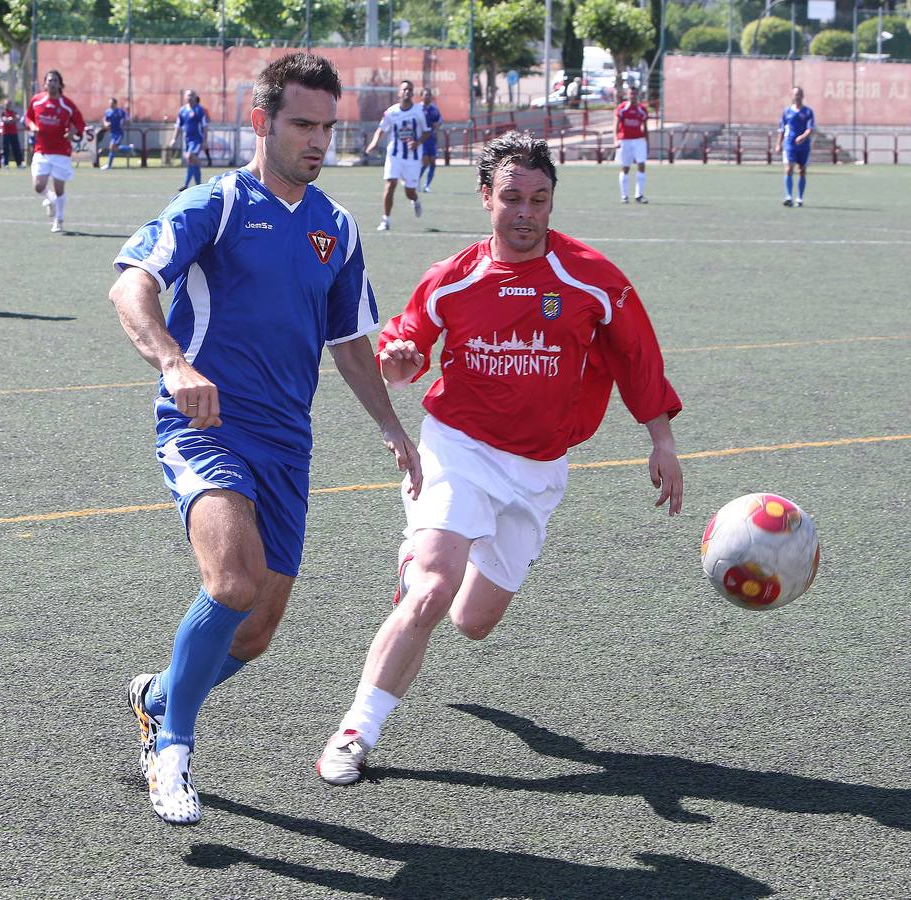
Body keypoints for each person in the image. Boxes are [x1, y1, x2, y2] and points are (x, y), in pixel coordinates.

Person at [110, 51, 422, 826]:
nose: (318, 141)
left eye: (327, 127)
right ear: (262, 121)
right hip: (206, 425)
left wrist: (390, 425)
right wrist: (175, 364)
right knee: (233, 581)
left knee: (254, 632)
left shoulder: (335, 227)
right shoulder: (214, 204)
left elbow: (348, 340)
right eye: (302, 124)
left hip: (288, 442)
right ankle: (172, 749)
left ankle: (157, 697)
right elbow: (130, 284)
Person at [316, 130, 683, 786]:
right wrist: (399, 360)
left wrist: (662, 440)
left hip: (539, 469)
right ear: (486, 197)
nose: (525, 212)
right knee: (434, 588)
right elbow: (403, 350)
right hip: (458, 448)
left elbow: (636, 356)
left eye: (538, 199)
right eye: (511, 197)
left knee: (472, 621)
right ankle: (355, 732)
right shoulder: (452, 278)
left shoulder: (591, 278)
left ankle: (420, 572)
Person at [25, 70, 86, 233]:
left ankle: (59, 219)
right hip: (41, 150)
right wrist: (32, 126)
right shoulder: (36, 101)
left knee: (59, 188)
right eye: (49, 80)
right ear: (45, 84)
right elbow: (28, 117)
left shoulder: (67, 105)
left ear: (60, 84)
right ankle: (51, 199)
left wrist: (73, 132)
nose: (52, 83)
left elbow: (80, 123)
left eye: (55, 81)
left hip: (61, 152)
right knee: (38, 186)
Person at [365, 79, 429, 231]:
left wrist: (417, 143)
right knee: (390, 184)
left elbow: (427, 132)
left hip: (412, 158)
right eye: (404, 89)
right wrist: (374, 142)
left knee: (409, 192)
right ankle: (385, 220)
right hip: (394, 155)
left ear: (412, 93)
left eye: (410, 89)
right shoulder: (391, 112)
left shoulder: (419, 111)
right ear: (399, 93)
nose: (407, 92)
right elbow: (381, 129)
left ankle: (415, 200)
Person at [776, 86, 815, 208]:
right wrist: (778, 144)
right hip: (790, 144)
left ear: (802, 96)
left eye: (799, 94)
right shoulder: (787, 111)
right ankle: (788, 197)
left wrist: (802, 137)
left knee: (802, 171)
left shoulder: (808, 112)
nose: (797, 96)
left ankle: (799, 198)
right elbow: (781, 129)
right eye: (795, 94)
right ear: (792, 96)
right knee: (788, 169)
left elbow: (810, 129)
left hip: (804, 146)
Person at [614, 84, 650, 204]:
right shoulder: (622, 108)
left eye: (635, 94)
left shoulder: (642, 109)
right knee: (625, 168)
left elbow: (645, 127)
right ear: (628, 95)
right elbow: (616, 125)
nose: (633, 96)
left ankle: (639, 195)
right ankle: (624, 195)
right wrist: (616, 140)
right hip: (625, 140)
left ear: (638, 95)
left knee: (641, 165)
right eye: (631, 94)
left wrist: (647, 142)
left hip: (639, 140)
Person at [170, 89, 210, 191]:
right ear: (185, 97)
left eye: (192, 95)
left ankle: (187, 184)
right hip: (187, 140)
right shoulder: (182, 110)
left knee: (190, 156)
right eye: (188, 95)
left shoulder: (199, 110)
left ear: (195, 97)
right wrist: (174, 139)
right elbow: (178, 126)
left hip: (197, 139)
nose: (189, 97)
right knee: (191, 162)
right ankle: (198, 185)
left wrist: (205, 141)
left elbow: (205, 126)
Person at [417, 87, 443, 193]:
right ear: (421, 96)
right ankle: (416, 181)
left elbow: (440, 119)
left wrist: (438, 123)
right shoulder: (417, 108)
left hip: (431, 139)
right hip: (422, 139)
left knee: (432, 162)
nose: (428, 96)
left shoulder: (434, 108)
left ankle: (426, 185)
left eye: (429, 95)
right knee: (425, 162)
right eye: (425, 95)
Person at [100, 97, 131, 170]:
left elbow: (127, 119)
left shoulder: (120, 111)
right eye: (109, 103)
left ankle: (109, 165)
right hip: (112, 133)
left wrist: (124, 121)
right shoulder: (107, 112)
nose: (110, 104)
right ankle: (129, 148)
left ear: (115, 104)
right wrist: (106, 123)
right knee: (114, 148)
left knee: (112, 147)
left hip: (119, 132)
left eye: (112, 103)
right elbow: (104, 120)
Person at [0, 99, 24, 168]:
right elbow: (4, 120)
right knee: (6, 149)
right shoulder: (3, 113)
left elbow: (18, 118)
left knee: (16, 148)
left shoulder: (14, 112)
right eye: (6, 104)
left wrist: (12, 120)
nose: (7, 106)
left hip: (13, 133)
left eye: (9, 104)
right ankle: (6, 164)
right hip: (5, 133)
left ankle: (19, 164)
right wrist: (10, 120)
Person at [194, 95, 213, 166]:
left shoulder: (200, 110)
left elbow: (207, 119)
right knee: (203, 145)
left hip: (200, 131)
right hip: (198, 131)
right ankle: (208, 160)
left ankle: (206, 160)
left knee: (203, 145)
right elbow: (208, 119)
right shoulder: (193, 109)